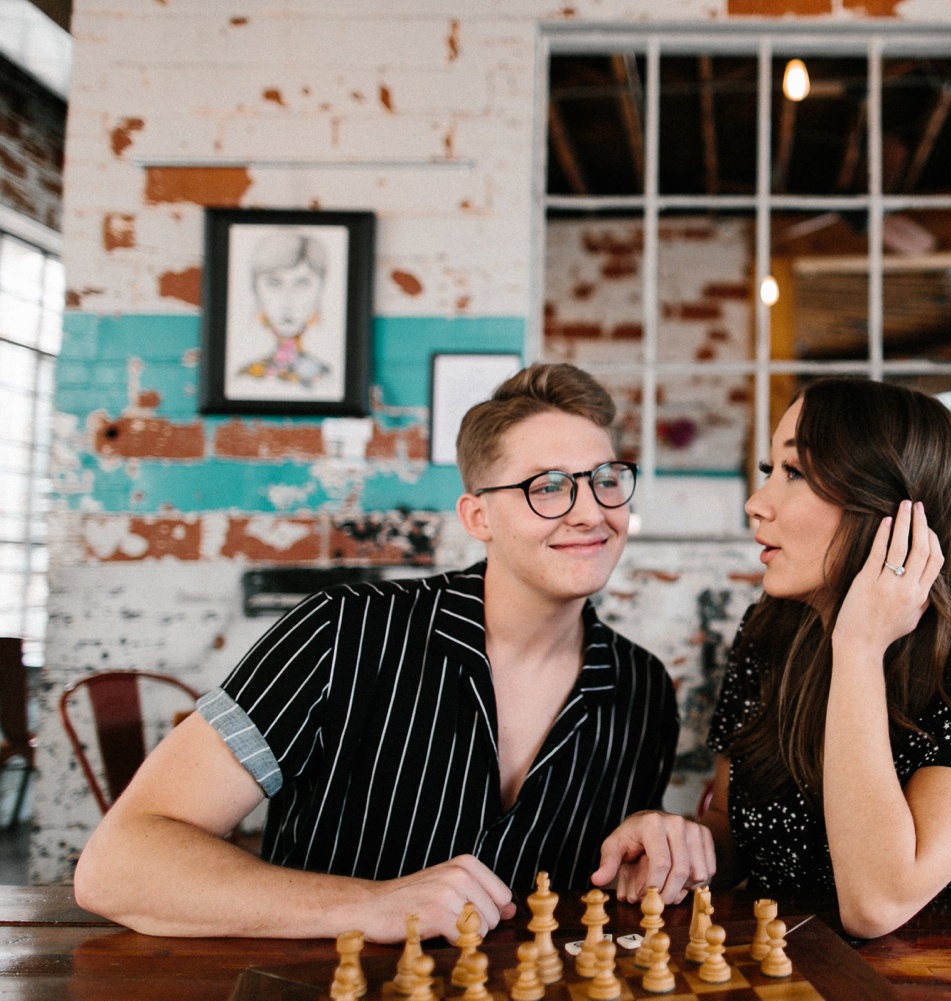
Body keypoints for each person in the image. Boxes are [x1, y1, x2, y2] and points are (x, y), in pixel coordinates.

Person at [74, 363, 714, 941]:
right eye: (547, 487)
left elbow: (608, 893)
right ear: (477, 517)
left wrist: (651, 840)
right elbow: (120, 863)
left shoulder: (644, 688)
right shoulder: (342, 632)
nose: (590, 512)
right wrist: (368, 906)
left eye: (606, 480)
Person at [700, 379, 951, 939]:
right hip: (775, 972)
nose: (757, 503)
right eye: (770, 470)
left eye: (794, 473)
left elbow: (876, 904)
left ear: (893, 513)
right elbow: (729, 832)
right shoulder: (768, 633)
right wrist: (675, 839)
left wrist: (860, 648)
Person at [238, 232, 332, 388]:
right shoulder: (246, 377)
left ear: (320, 290)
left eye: (302, 284)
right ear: (256, 289)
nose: (288, 302)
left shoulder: (326, 378)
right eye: (274, 283)